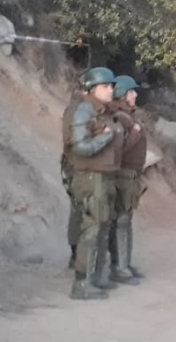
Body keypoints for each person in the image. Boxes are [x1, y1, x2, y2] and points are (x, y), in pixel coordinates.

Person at [62, 66, 124, 300]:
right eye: (106, 86)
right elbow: (81, 147)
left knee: (102, 227)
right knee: (91, 229)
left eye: (111, 86)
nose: (111, 90)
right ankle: (82, 283)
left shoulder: (101, 111)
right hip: (91, 177)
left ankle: (94, 278)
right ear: (92, 88)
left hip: (104, 176)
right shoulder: (84, 111)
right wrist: (106, 137)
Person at [108, 75, 147, 284]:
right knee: (121, 221)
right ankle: (119, 267)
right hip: (123, 174)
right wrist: (134, 133)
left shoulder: (126, 115)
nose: (135, 95)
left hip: (130, 175)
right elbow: (119, 149)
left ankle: (124, 263)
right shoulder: (120, 117)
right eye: (132, 91)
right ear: (123, 94)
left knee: (125, 220)